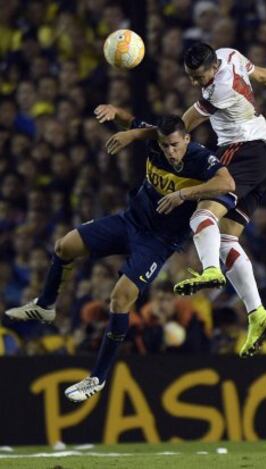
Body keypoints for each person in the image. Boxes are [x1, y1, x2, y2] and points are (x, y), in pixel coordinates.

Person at [103, 42, 266, 357]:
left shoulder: (217, 90)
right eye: (190, 76)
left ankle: (210, 270)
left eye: (199, 77)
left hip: (239, 151)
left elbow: (179, 129)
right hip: (262, 157)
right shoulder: (230, 54)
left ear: (213, 69)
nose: (194, 83)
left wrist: (132, 134)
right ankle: (257, 313)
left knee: (201, 216)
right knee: (228, 238)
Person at [5, 114, 235, 401]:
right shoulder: (155, 143)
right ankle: (45, 305)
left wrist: (186, 194)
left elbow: (227, 183)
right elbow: (133, 122)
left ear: (187, 138)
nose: (170, 152)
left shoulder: (201, 159)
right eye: (165, 146)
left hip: (157, 242)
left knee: (120, 297)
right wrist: (116, 116)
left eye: (175, 145)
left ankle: (97, 378)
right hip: (129, 222)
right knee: (64, 246)